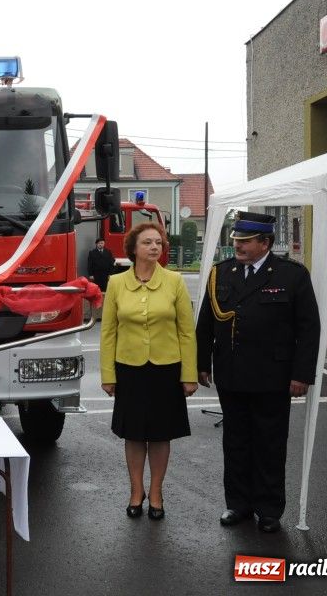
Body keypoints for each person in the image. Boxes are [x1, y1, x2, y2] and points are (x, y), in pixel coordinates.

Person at [197, 211, 320, 533]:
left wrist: (302, 374)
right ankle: (237, 503)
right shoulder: (221, 273)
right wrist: (200, 363)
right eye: (236, 240)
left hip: (273, 375)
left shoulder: (291, 275)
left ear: (265, 242)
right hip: (232, 372)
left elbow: (308, 328)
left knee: (269, 442)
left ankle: (268, 508)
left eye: (245, 241)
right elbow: (206, 323)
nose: (237, 245)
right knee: (235, 441)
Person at [100, 223, 197, 521]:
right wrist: (108, 375)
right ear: (133, 248)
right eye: (147, 242)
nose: (155, 247)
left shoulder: (175, 281)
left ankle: (156, 491)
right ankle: (135, 491)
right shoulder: (116, 283)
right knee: (133, 434)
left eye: (158, 242)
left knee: (159, 434)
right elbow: (108, 332)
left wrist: (189, 374)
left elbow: (186, 331)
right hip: (129, 369)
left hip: (166, 369)